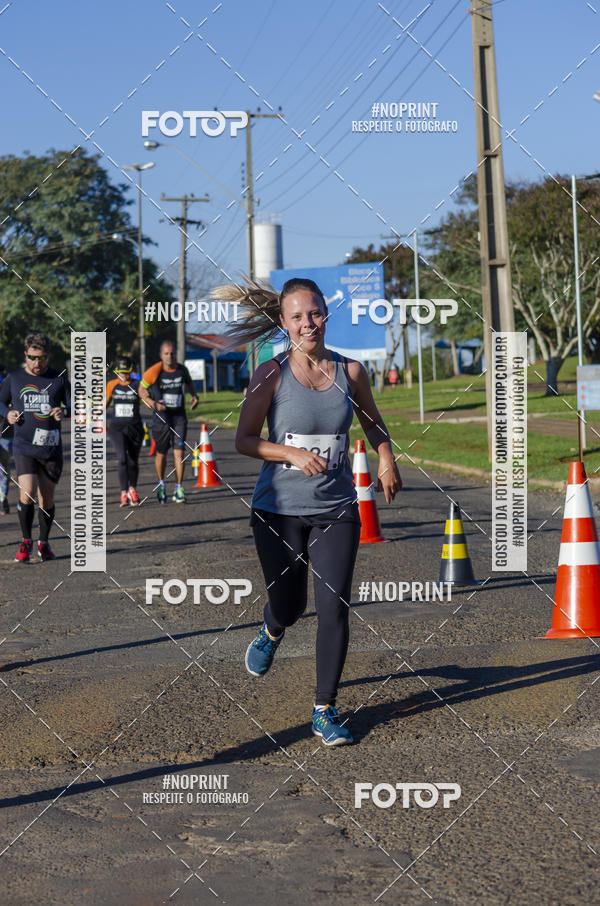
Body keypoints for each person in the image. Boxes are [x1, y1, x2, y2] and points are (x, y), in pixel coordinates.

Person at [215, 277, 402, 746]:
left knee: (333, 605)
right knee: (291, 604)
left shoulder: (351, 372)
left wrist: (386, 457)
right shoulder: (269, 373)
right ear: (283, 323)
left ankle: (325, 708)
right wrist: (291, 454)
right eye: (297, 316)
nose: (307, 323)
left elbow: (374, 425)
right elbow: (243, 440)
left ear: (326, 314)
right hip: (277, 510)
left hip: (335, 508)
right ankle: (271, 628)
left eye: (314, 313)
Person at [0, 332, 71, 562]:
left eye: (42, 358)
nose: (37, 363)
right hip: (24, 445)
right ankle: (25, 541)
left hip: (50, 448)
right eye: (32, 357)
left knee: (46, 499)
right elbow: (0, 401)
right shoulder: (14, 378)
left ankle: (44, 542)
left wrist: (64, 411)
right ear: (26, 354)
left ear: (48, 356)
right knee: (27, 491)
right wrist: (7, 413)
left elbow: (75, 405)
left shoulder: (59, 378)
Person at [139, 340, 198, 504]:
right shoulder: (155, 371)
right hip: (161, 419)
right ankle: (161, 484)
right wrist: (152, 404)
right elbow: (141, 390)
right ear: (161, 355)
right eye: (166, 353)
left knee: (179, 453)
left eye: (172, 353)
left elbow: (190, 383)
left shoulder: (182, 370)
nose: (170, 356)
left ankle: (179, 488)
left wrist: (194, 396)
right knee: (161, 454)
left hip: (179, 417)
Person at [106, 356, 143, 507]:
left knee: (133, 461)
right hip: (117, 428)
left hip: (135, 427)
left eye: (126, 372)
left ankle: (132, 489)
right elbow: (104, 403)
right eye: (120, 372)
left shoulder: (137, 385)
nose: (123, 375)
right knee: (122, 459)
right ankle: (123, 493)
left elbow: (147, 398)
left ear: (131, 371)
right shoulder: (112, 385)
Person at [0, 363, 13, 515]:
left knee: (4, 467)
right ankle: (3, 499)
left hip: (6, 434)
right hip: (7, 434)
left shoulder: (8, 385)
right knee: (4, 468)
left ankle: (3, 499)